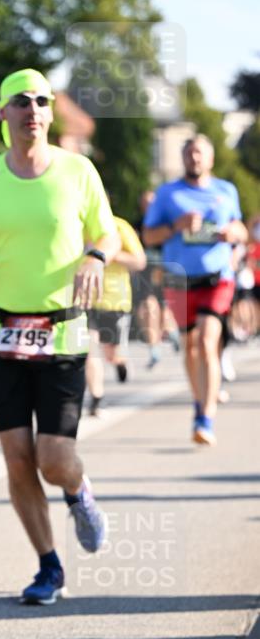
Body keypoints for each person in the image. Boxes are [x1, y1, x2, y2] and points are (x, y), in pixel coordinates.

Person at [0, 68, 119, 606]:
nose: (34, 110)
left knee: (53, 457)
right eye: (21, 102)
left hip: (62, 332)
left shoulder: (78, 171)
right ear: (4, 113)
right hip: (0, 333)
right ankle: (48, 565)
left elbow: (106, 230)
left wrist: (94, 256)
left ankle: (78, 490)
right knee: (17, 456)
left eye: (42, 101)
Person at [143, 134, 247, 445]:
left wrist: (232, 232)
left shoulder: (225, 191)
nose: (195, 159)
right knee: (190, 346)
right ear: (183, 158)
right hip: (180, 279)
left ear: (211, 158)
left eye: (200, 153)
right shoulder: (167, 194)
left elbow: (241, 228)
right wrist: (177, 226)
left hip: (217, 277)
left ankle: (206, 416)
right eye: (189, 154)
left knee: (206, 340)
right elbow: (148, 236)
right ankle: (200, 399)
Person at [86, 212, 146, 416]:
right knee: (90, 349)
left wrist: (107, 253)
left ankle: (121, 363)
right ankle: (96, 398)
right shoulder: (77, 225)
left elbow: (140, 261)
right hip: (85, 298)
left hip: (115, 300)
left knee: (111, 354)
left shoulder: (120, 226)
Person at [133, 190, 180, 368]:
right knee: (147, 306)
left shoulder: (164, 224)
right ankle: (154, 348)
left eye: (151, 202)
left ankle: (172, 332)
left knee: (165, 307)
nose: (148, 206)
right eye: (145, 203)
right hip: (144, 274)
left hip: (165, 272)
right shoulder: (138, 225)